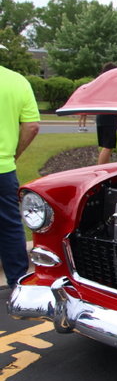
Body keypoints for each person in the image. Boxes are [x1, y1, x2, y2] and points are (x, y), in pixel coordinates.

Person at [0, 64, 40, 289]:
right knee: (9, 226)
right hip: (3, 168)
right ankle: (17, 283)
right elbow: (32, 126)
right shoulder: (17, 81)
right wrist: (14, 154)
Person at [96, 62, 117, 164]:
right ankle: (101, 169)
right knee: (108, 146)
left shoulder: (101, 84)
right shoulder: (110, 85)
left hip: (102, 117)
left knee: (106, 146)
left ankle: (105, 167)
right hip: (108, 118)